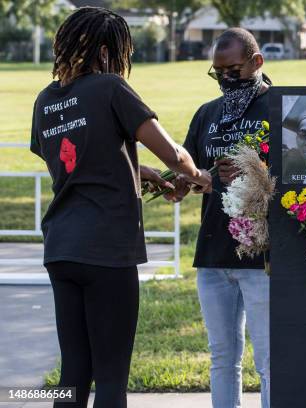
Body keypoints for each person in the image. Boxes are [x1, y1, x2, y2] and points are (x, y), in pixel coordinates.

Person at [29, 7, 212, 408]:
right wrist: (202, 176)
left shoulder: (45, 101)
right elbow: (175, 155)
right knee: (112, 377)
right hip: (106, 248)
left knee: (73, 373)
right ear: (108, 52)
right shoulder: (110, 87)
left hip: (61, 247)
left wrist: (134, 168)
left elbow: (70, 165)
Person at [168, 28, 271, 408]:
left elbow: (301, 178)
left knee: (268, 359)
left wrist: (255, 173)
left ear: (257, 62)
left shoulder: (280, 107)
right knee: (223, 357)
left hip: (260, 255)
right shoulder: (207, 114)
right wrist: (185, 183)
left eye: (233, 70)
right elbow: (195, 172)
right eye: (218, 73)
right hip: (212, 253)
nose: (226, 80)